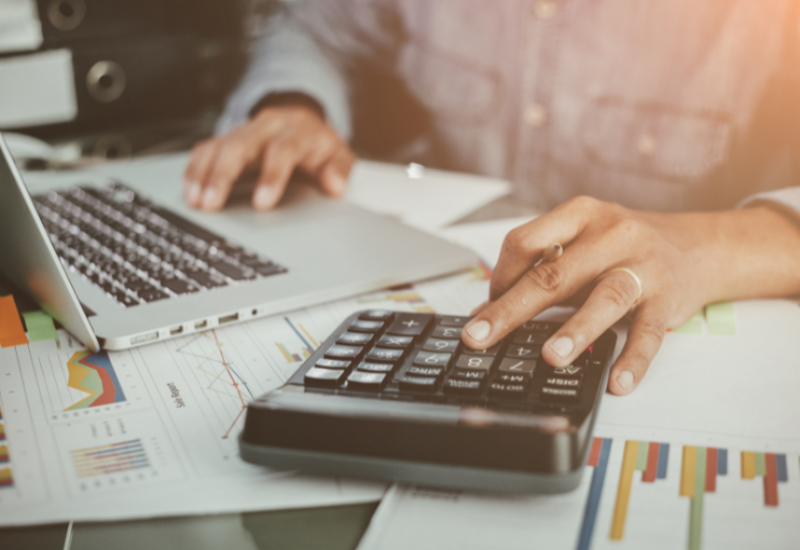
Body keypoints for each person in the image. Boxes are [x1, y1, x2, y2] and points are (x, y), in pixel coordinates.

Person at [183, 0, 800, 396]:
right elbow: (319, 28)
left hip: (697, 358)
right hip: (437, 297)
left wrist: (703, 246)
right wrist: (296, 103)